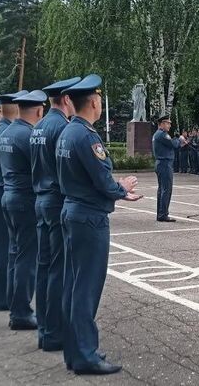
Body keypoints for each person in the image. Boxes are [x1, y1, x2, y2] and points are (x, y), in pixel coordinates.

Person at [56, 74, 143, 375]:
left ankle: (74, 350)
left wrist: (115, 189)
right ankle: (84, 355)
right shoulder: (86, 136)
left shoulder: (68, 132)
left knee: (73, 284)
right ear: (94, 102)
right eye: (99, 99)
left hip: (73, 211)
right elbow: (102, 181)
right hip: (89, 218)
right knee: (86, 288)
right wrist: (122, 188)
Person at [30, 76, 81, 351]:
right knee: (59, 270)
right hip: (57, 201)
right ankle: (55, 332)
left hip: (40, 199)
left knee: (44, 265)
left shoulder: (39, 126)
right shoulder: (62, 127)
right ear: (66, 99)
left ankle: (44, 326)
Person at [0, 90, 47, 330]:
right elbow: (41, 170)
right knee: (27, 257)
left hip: (9, 196)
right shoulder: (29, 135)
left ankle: (14, 304)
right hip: (25, 200)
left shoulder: (6, 132)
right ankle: (21, 312)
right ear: (39, 110)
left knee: (15, 253)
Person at [0, 90, 27, 311]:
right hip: (9, 192)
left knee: (2, 247)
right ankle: (5, 299)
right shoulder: (11, 132)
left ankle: (0, 296)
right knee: (9, 249)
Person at [152, 115, 186, 222]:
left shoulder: (159, 134)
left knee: (162, 189)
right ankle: (163, 214)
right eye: (167, 123)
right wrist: (180, 139)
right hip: (164, 164)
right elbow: (173, 144)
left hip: (162, 163)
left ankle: (161, 213)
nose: (169, 125)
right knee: (166, 189)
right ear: (161, 124)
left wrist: (179, 143)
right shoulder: (162, 134)